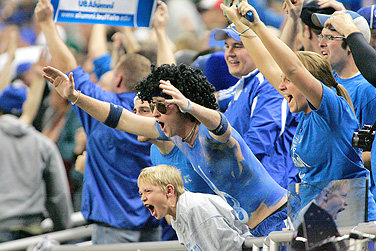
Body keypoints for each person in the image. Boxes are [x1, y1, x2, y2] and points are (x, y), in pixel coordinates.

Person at [43, 62, 288, 238]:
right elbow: (121, 118)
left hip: (279, 219)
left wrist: (190, 104)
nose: (156, 114)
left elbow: (221, 124)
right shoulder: (176, 136)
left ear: (183, 108)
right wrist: (76, 97)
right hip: (250, 231)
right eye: (153, 107)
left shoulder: (210, 134)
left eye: (162, 106)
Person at [220, 0, 376, 221]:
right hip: (317, 216)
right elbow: (268, 65)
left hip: (349, 218)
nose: (281, 87)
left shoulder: (331, 107)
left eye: (288, 81)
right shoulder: (305, 110)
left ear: (306, 82)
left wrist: (258, 26)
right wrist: (242, 25)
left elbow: (291, 68)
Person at [34, 0, 160, 244]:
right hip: (153, 228)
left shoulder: (101, 106)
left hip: (112, 230)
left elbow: (70, 69)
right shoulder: (160, 114)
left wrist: (47, 24)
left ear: (119, 78)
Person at [214, 24, 299, 189]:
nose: (230, 53)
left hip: (271, 194)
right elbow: (214, 100)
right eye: (227, 46)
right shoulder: (245, 83)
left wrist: (219, 166)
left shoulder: (268, 85)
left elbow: (259, 141)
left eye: (238, 46)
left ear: (258, 49)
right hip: (250, 188)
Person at [0, 84, 73, 242]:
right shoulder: (43, 144)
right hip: (31, 231)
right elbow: (58, 194)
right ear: (25, 108)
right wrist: (63, 231)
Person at [138, 164, 252, 250]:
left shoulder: (197, 210)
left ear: (169, 190)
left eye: (148, 191)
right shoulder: (176, 215)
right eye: (141, 193)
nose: (143, 198)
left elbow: (230, 248)